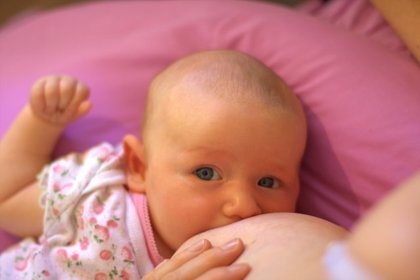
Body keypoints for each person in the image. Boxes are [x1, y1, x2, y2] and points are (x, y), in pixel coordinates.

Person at [0, 49, 310, 279]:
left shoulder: (252, 266)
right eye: (206, 173)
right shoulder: (96, 198)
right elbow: (7, 200)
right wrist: (38, 123)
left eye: (268, 182)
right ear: (139, 167)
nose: (243, 205)